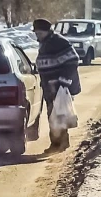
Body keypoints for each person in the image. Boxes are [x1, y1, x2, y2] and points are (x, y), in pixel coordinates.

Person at [33, 18, 81, 152]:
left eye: (39, 33)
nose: (37, 36)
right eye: (36, 33)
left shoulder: (59, 41)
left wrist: (62, 81)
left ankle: (58, 144)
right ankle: (61, 143)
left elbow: (73, 60)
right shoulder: (45, 42)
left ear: (47, 31)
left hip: (59, 86)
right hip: (49, 86)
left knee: (57, 115)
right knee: (54, 115)